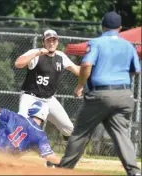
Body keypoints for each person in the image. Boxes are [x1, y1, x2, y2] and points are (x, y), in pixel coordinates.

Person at [57, 11, 141, 176]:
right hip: (124, 95)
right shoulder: (128, 45)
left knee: (81, 132)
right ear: (120, 28)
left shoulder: (97, 43)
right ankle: (135, 172)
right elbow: (135, 70)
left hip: (101, 95)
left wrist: (80, 85)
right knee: (121, 135)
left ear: (102, 26)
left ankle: (63, 170)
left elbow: (87, 64)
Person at [14, 29, 80, 142]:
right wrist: (37, 53)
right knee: (22, 125)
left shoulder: (60, 56)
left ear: (57, 42)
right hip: (30, 97)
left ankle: (71, 154)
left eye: (54, 40)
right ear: (43, 42)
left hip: (49, 100)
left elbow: (78, 71)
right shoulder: (36, 52)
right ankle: (11, 149)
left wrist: (92, 66)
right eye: (48, 40)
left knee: (69, 129)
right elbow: (18, 64)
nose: (51, 43)